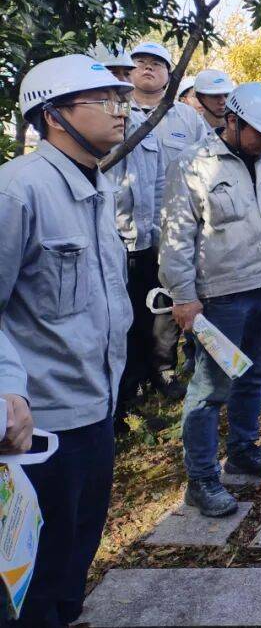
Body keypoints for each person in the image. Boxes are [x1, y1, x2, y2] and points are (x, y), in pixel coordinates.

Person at [0, 55, 134, 626]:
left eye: (120, 99)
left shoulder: (98, 184)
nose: (121, 109)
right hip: (41, 424)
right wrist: (7, 388)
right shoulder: (17, 190)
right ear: (53, 115)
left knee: (75, 556)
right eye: (104, 100)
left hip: (96, 408)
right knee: (32, 580)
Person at [159, 82, 261, 517]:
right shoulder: (193, 164)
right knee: (210, 390)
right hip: (222, 297)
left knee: (256, 376)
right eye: (260, 133)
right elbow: (175, 238)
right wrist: (183, 297)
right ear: (233, 121)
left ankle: (243, 450)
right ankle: (202, 478)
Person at [129, 42, 208, 396]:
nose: (148, 68)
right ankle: (132, 381)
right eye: (140, 62)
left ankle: (164, 370)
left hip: (174, 230)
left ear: (169, 74)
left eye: (157, 64)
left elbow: (207, 161)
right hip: (127, 233)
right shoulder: (118, 112)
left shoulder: (187, 118)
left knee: (166, 303)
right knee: (130, 307)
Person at [112, 103, 169, 432]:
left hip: (145, 244)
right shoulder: (98, 127)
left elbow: (159, 184)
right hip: (114, 246)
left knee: (142, 323)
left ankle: (131, 399)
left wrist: (158, 235)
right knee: (115, 328)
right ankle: (114, 411)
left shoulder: (146, 128)